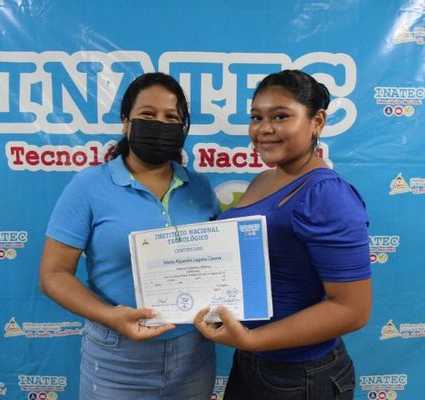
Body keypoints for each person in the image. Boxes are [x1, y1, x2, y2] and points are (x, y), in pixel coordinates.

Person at [193, 69, 372, 400]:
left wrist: (252, 339)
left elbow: (353, 309)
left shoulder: (326, 194)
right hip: (251, 361)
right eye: (256, 117)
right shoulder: (263, 179)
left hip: (301, 374)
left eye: (280, 116)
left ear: (317, 121)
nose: (264, 129)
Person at [39, 72, 220, 400]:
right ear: (126, 122)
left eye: (171, 117)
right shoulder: (89, 186)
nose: (160, 124)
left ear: (183, 127)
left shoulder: (200, 187)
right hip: (116, 356)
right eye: (148, 115)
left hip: (193, 354)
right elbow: (53, 275)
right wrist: (110, 316)